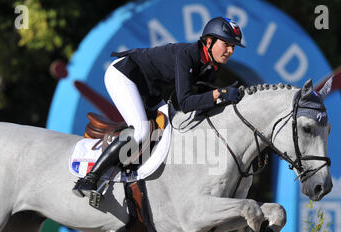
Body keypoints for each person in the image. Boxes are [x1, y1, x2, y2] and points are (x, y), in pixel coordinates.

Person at [73, 17, 245, 198]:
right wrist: (219, 93)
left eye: (233, 47)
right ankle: (89, 178)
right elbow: (186, 102)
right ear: (209, 42)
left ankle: (136, 178)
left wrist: (223, 99)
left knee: (172, 129)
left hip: (149, 89)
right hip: (124, 75)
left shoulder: (211, 67)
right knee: (141, 130)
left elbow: (197, 105)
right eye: (226, 44)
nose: (230, 50)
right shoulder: (187, 55)